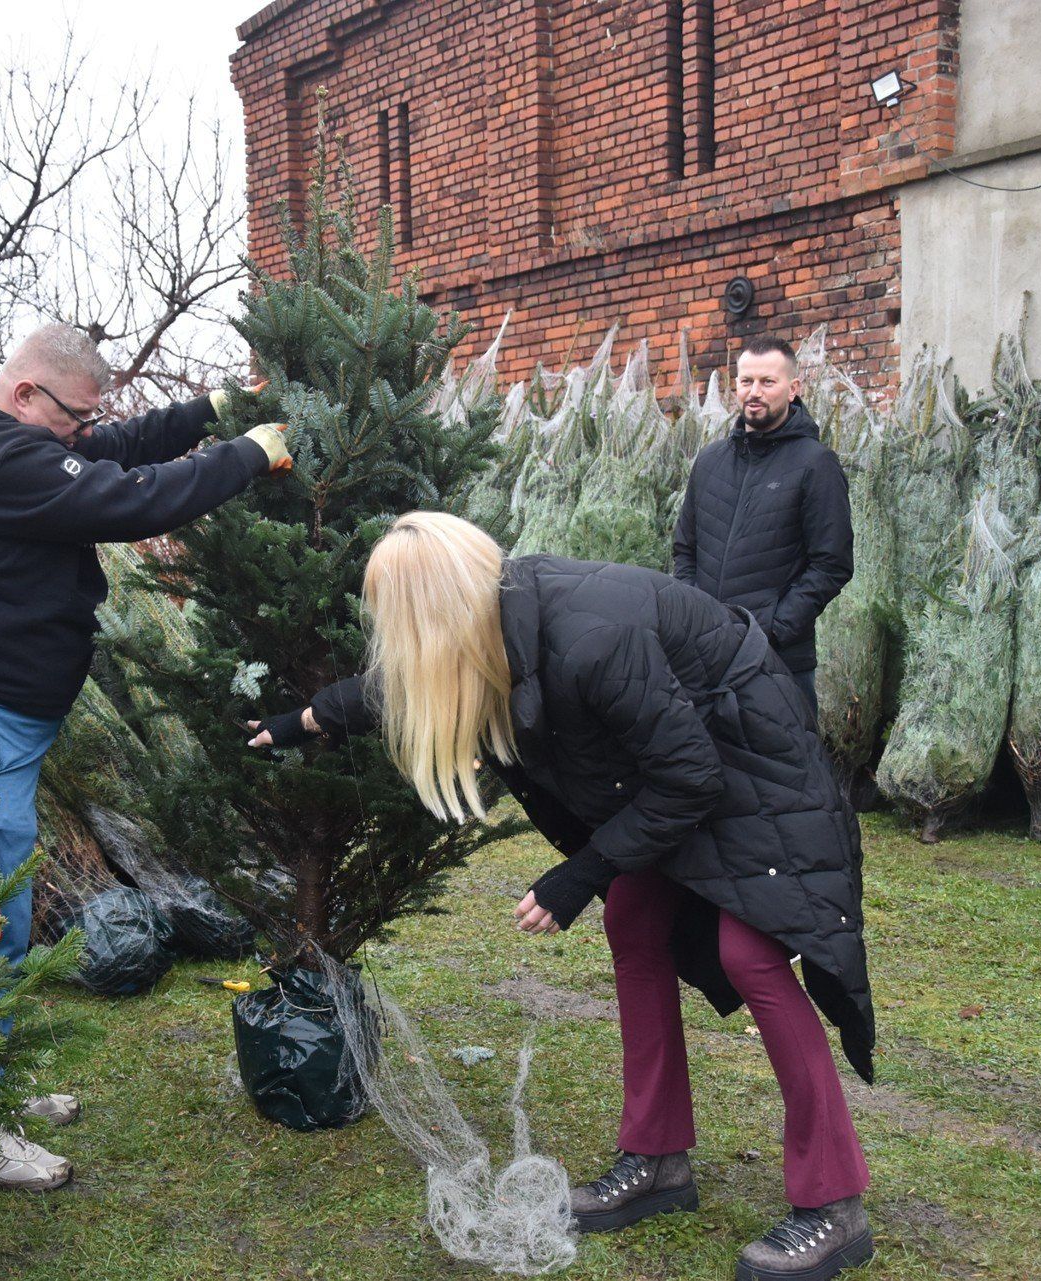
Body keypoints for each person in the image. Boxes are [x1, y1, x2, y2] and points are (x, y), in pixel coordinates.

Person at [249, 512, 875, 1281]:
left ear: (435, 608)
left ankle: (834, 1205)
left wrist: (579, 875)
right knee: (635, 919)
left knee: (750, 951)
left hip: (751, 757)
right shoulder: (489, 622)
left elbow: (692, 778)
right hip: (677, 759)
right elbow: (403, 680)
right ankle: (656, 1160)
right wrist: (302, 721)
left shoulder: (590, 638)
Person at [0, 323, 292, 1190]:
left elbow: (110, 449)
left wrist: (210, 409)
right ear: (27, 393)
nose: (85, 432)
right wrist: (249, 452)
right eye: (74, 416)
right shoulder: (10, 459)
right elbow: (130, 499)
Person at [673, 336, 852, 710]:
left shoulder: (816, 463)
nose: (754, 392)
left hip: (778, 662)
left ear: (793, 388)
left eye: (767, 382)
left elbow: (831, 564)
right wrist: (694, 615)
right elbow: (685, 550)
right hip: (706, 657)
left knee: (788, 749)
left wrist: (774, 628)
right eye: (746, 381)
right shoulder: (710, 462)